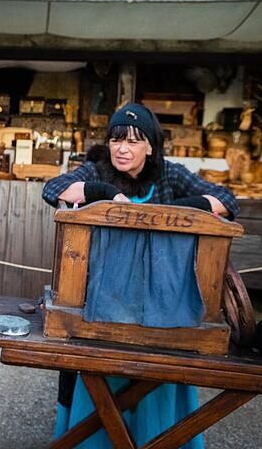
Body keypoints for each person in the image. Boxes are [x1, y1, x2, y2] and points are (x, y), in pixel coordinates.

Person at [42, 102, 238, 448]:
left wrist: (172, 212)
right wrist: (106, 194)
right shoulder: (96, 170)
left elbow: (225, 199)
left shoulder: (169, 174)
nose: (122, 148)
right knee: (99, 371)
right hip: (103, 299)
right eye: (117, 139)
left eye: (134, 141)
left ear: (150, 146)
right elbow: (53, 190)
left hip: (162, 302)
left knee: (159, 376)